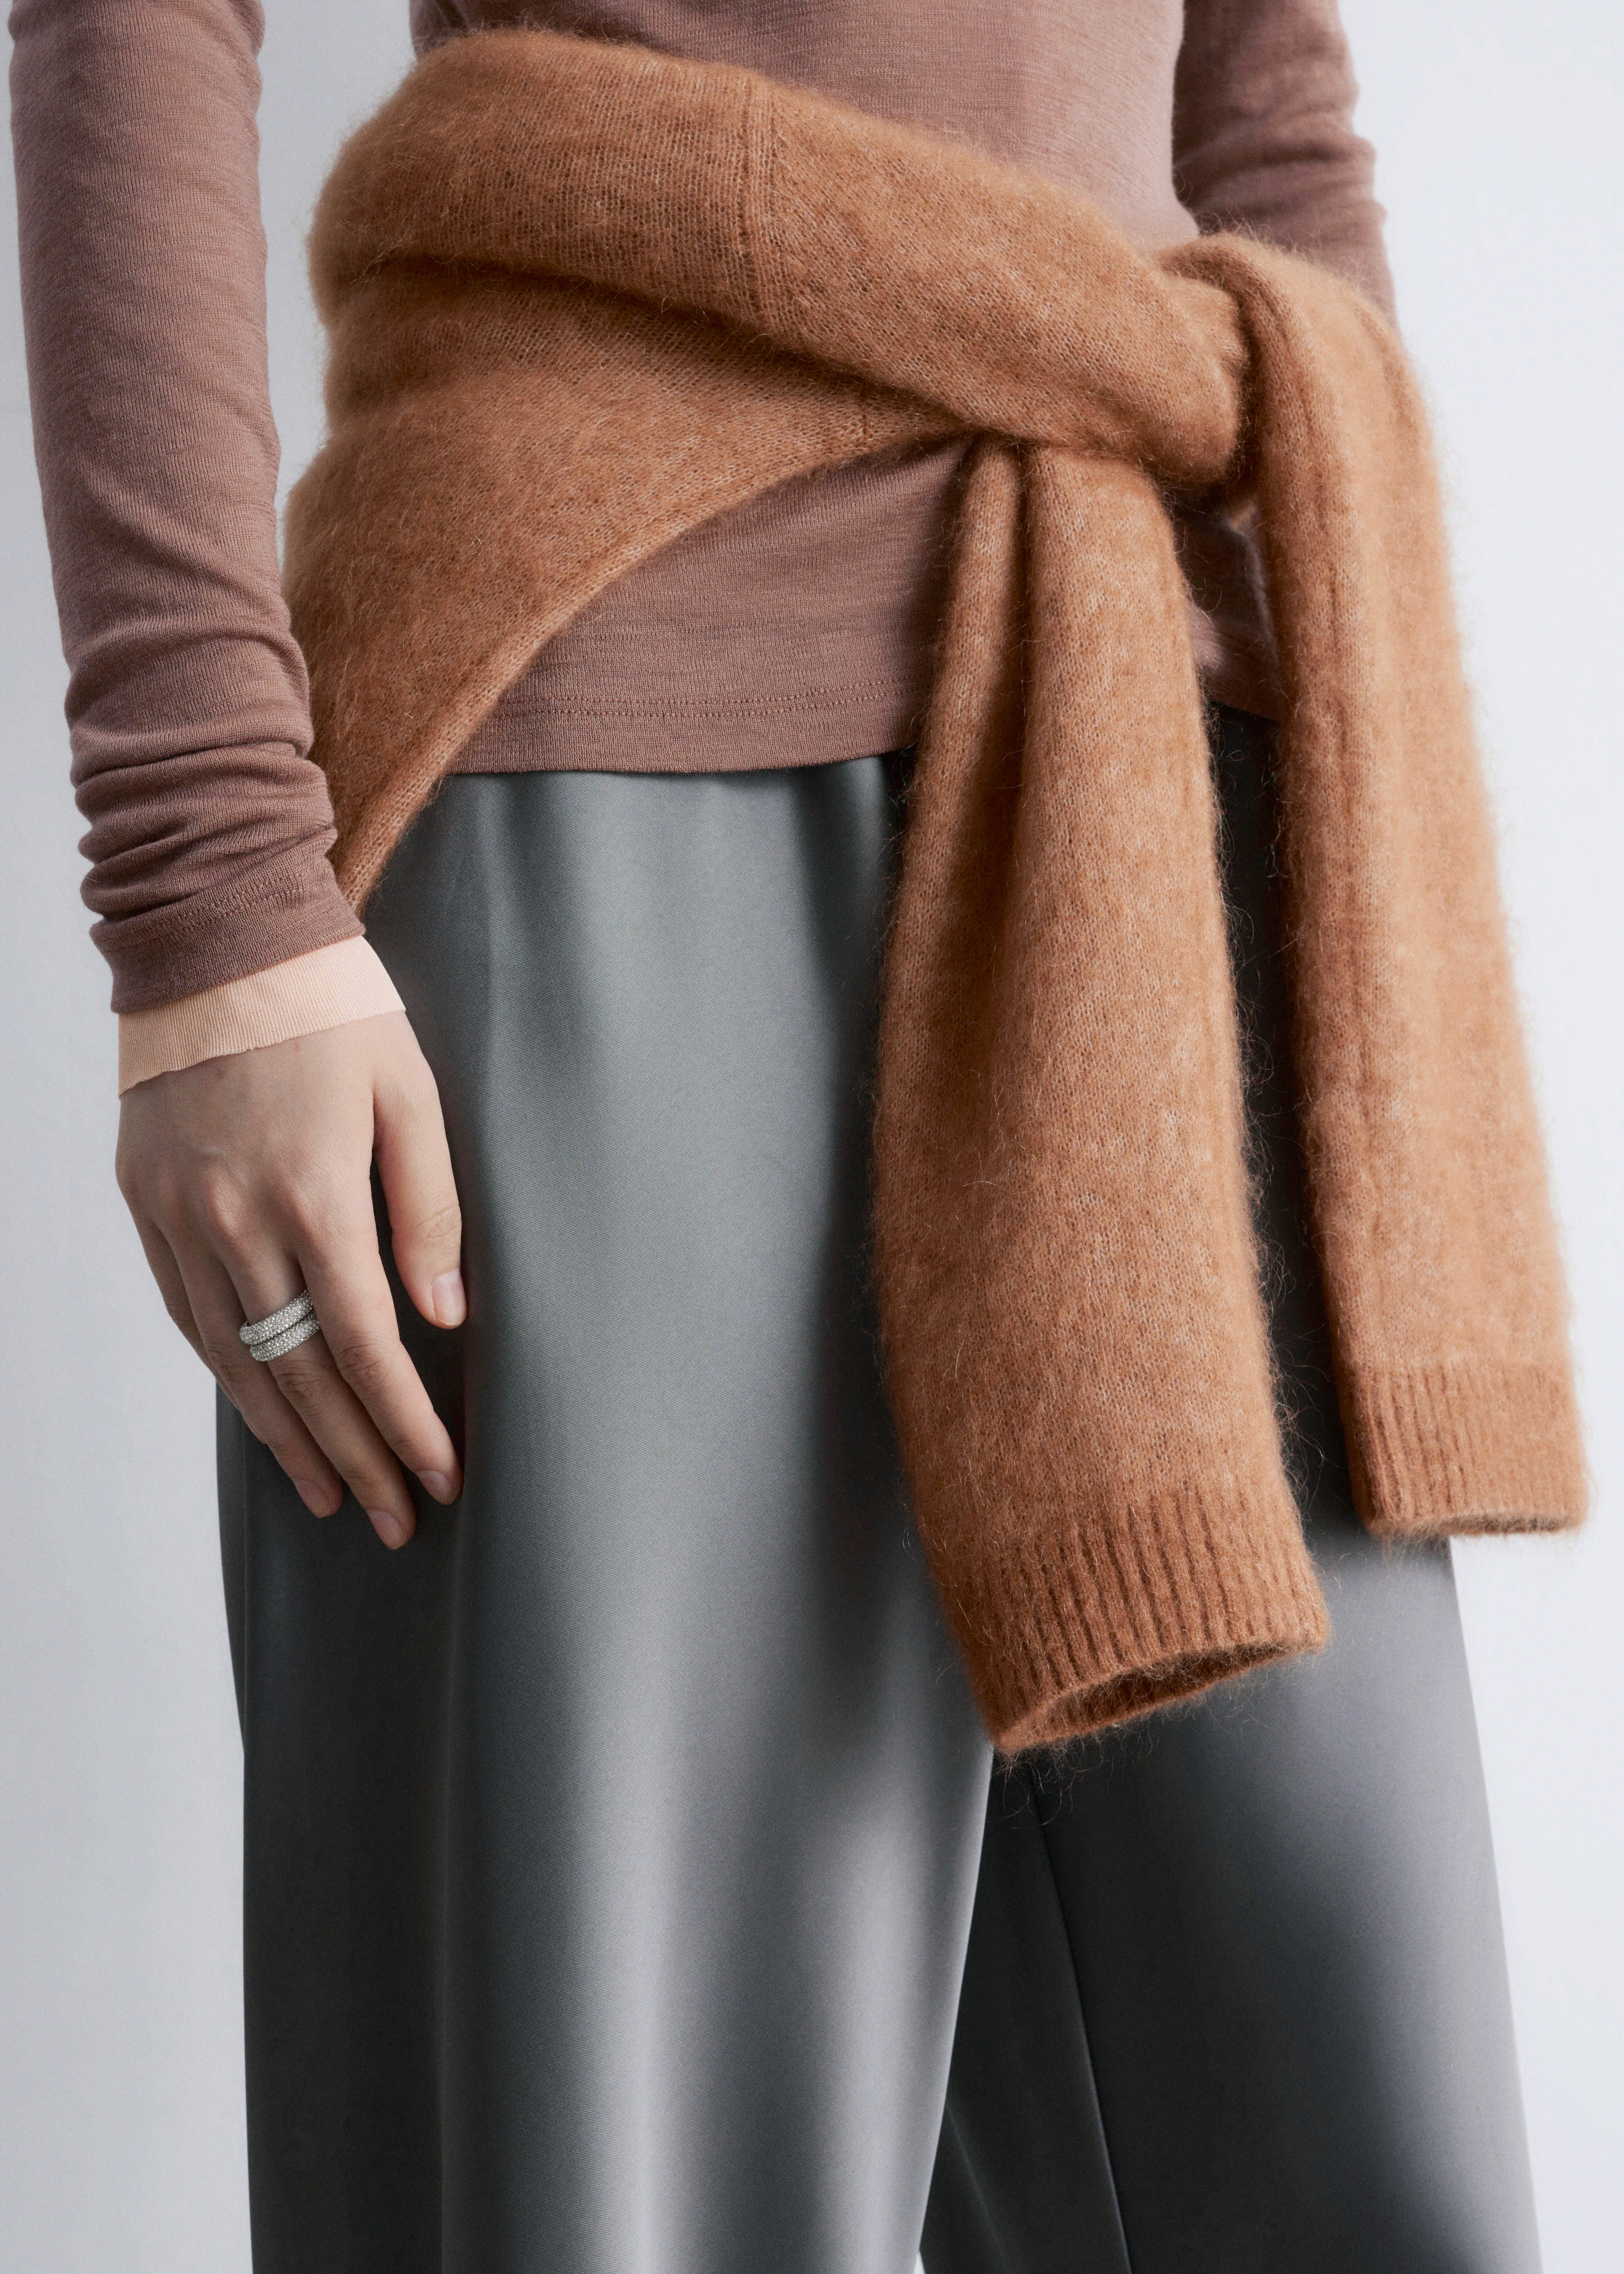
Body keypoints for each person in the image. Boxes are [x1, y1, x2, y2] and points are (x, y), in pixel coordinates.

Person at [8, 4, 1573, 2269]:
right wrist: (206, 893)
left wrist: (1346, 749)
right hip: (594, 730)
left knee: (1368, 2177)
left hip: (1169, 801)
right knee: (619, 2195)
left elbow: (1263, 101)